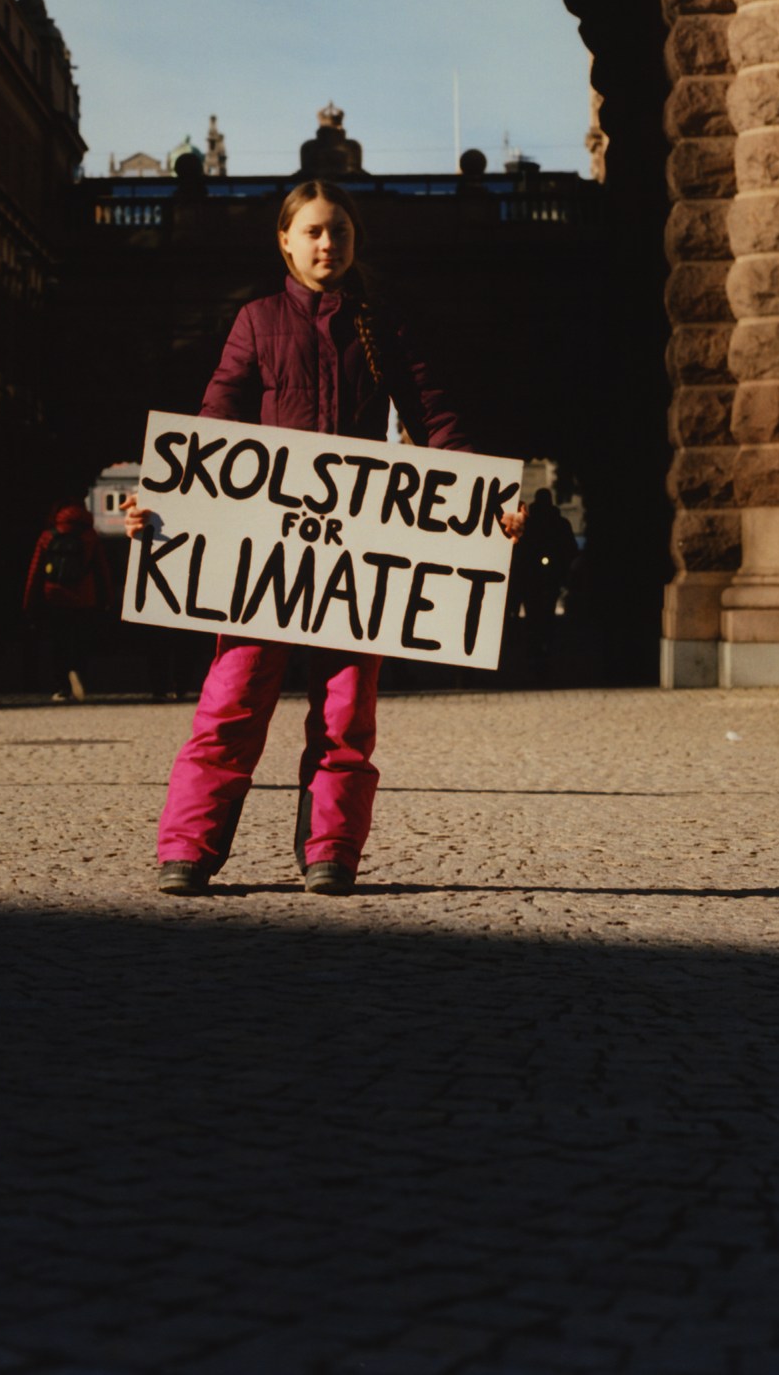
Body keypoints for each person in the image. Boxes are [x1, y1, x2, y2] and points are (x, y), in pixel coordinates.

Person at [124, 178, 524, 899]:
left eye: (337, 231)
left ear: (353, 240)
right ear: (284, 240)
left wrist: (483, 506)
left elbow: (437, 423)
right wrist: (161, 503)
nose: (325, 243)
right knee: (232, 701)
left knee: (345, 713)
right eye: (311, 231)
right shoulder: (255, 320)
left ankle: (330, 852)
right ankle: (186, 849)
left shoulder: (386, 323)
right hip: (264, 554)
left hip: (353, 554)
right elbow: (213, 426)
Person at [23, 501, 114, 701]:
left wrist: (29, 601)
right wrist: (108, 597)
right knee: (81, 640)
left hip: (55, 596)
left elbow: (35, 570)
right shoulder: (90, 536)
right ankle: (77, 671)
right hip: (84, 597)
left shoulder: (48, 535)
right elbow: (102, 570)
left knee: (58, 641)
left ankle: (61, 686)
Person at [511, 487, 577, 675]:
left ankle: (539, 647)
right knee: (540, 613)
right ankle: (538, 647)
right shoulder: (547, 523)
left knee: (539, 613)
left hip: (541, 576)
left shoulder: (535, 524)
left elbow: (568, 549)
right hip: (537, 576)